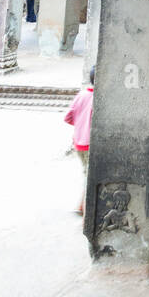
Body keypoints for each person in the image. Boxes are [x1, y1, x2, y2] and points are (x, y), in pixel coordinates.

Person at [64, 66, 94, 216]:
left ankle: (81, 205)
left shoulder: (81, 95)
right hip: (90, 144)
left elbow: (68, 117)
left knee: (86, 173)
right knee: (90, 176)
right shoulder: (99, 100)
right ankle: (84, 208)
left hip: (78, 143)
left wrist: (80, 126)